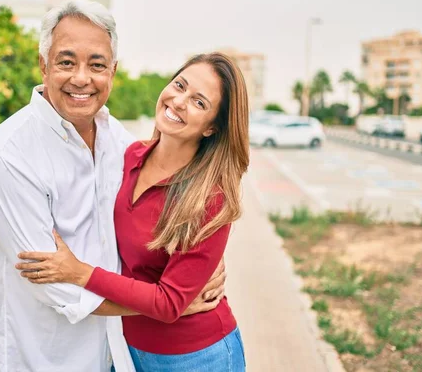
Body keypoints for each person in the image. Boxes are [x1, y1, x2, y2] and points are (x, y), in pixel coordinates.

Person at [0, 0, 225, 372]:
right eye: (66, 62)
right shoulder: (7, 158)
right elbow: (55, 287)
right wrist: (174, 301)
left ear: (113, 72)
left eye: (97, 65)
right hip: (46, 358)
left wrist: (196, 264)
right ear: (43, 64)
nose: (82, 78)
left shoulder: (117, 141)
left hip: (116, 354)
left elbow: (152, 219)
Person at [15, 52, 249, 371]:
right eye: (179, 85)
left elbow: (168, 304)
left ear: (212, 128)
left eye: (199, 102)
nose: (179, 101)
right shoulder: (129, 157)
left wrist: (79, 272)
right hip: (126, 350)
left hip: (196, 357)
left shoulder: (209, 198)